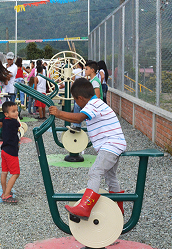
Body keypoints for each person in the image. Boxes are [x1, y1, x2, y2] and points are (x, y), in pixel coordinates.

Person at [49, 78, 127, 220]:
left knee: (95, 171)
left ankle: (85, 207)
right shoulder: (97, 103)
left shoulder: (93, 104)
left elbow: (78, 118)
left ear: (80, 98)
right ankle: (118, 209)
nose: (76, 104)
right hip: (114, 144)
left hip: (111, 145)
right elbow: (78, 119)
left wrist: (59, 114)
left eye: (75, 101)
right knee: (111, 177)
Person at [0, 101, 21, 203]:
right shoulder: (14, 123)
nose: (16, 113)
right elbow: (19, 125)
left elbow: (0, 121)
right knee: (16, 173)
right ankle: (7, 195)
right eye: (13, 111)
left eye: (16, 111)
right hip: (11, 151)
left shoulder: (5, 119)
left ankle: (4, 192)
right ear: (7, 114)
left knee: (4, 172)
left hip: (4, 150)